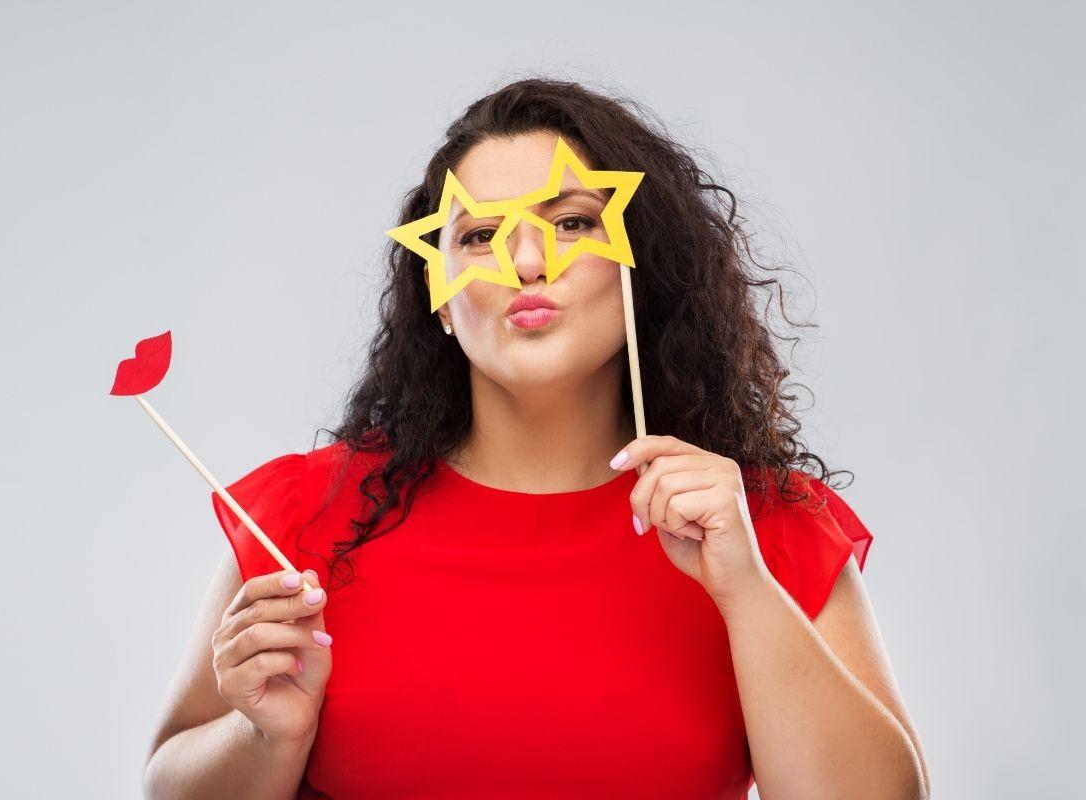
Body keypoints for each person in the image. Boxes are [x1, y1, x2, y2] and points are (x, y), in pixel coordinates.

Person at [143, 78, 930, 800]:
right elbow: (168, 786)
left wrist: (748, 592)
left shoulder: (761, 528)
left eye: (573, 223)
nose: (527, 262)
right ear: (438, 295)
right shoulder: (301, 521)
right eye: (481, 235)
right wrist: (265, 736)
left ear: (640, 265)